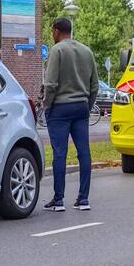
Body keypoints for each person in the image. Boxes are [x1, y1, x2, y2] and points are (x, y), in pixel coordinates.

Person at [41, 18, 98, 212]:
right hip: (81, 106)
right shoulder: (87, 51)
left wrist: (47, 107)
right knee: (84, 152)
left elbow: (50, 84)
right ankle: (83, 199)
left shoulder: (57, 50)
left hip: (60, 108)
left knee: (59, 153)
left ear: (56, 31)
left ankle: (58, 200)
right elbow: (94, 86)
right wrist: (87, 106)